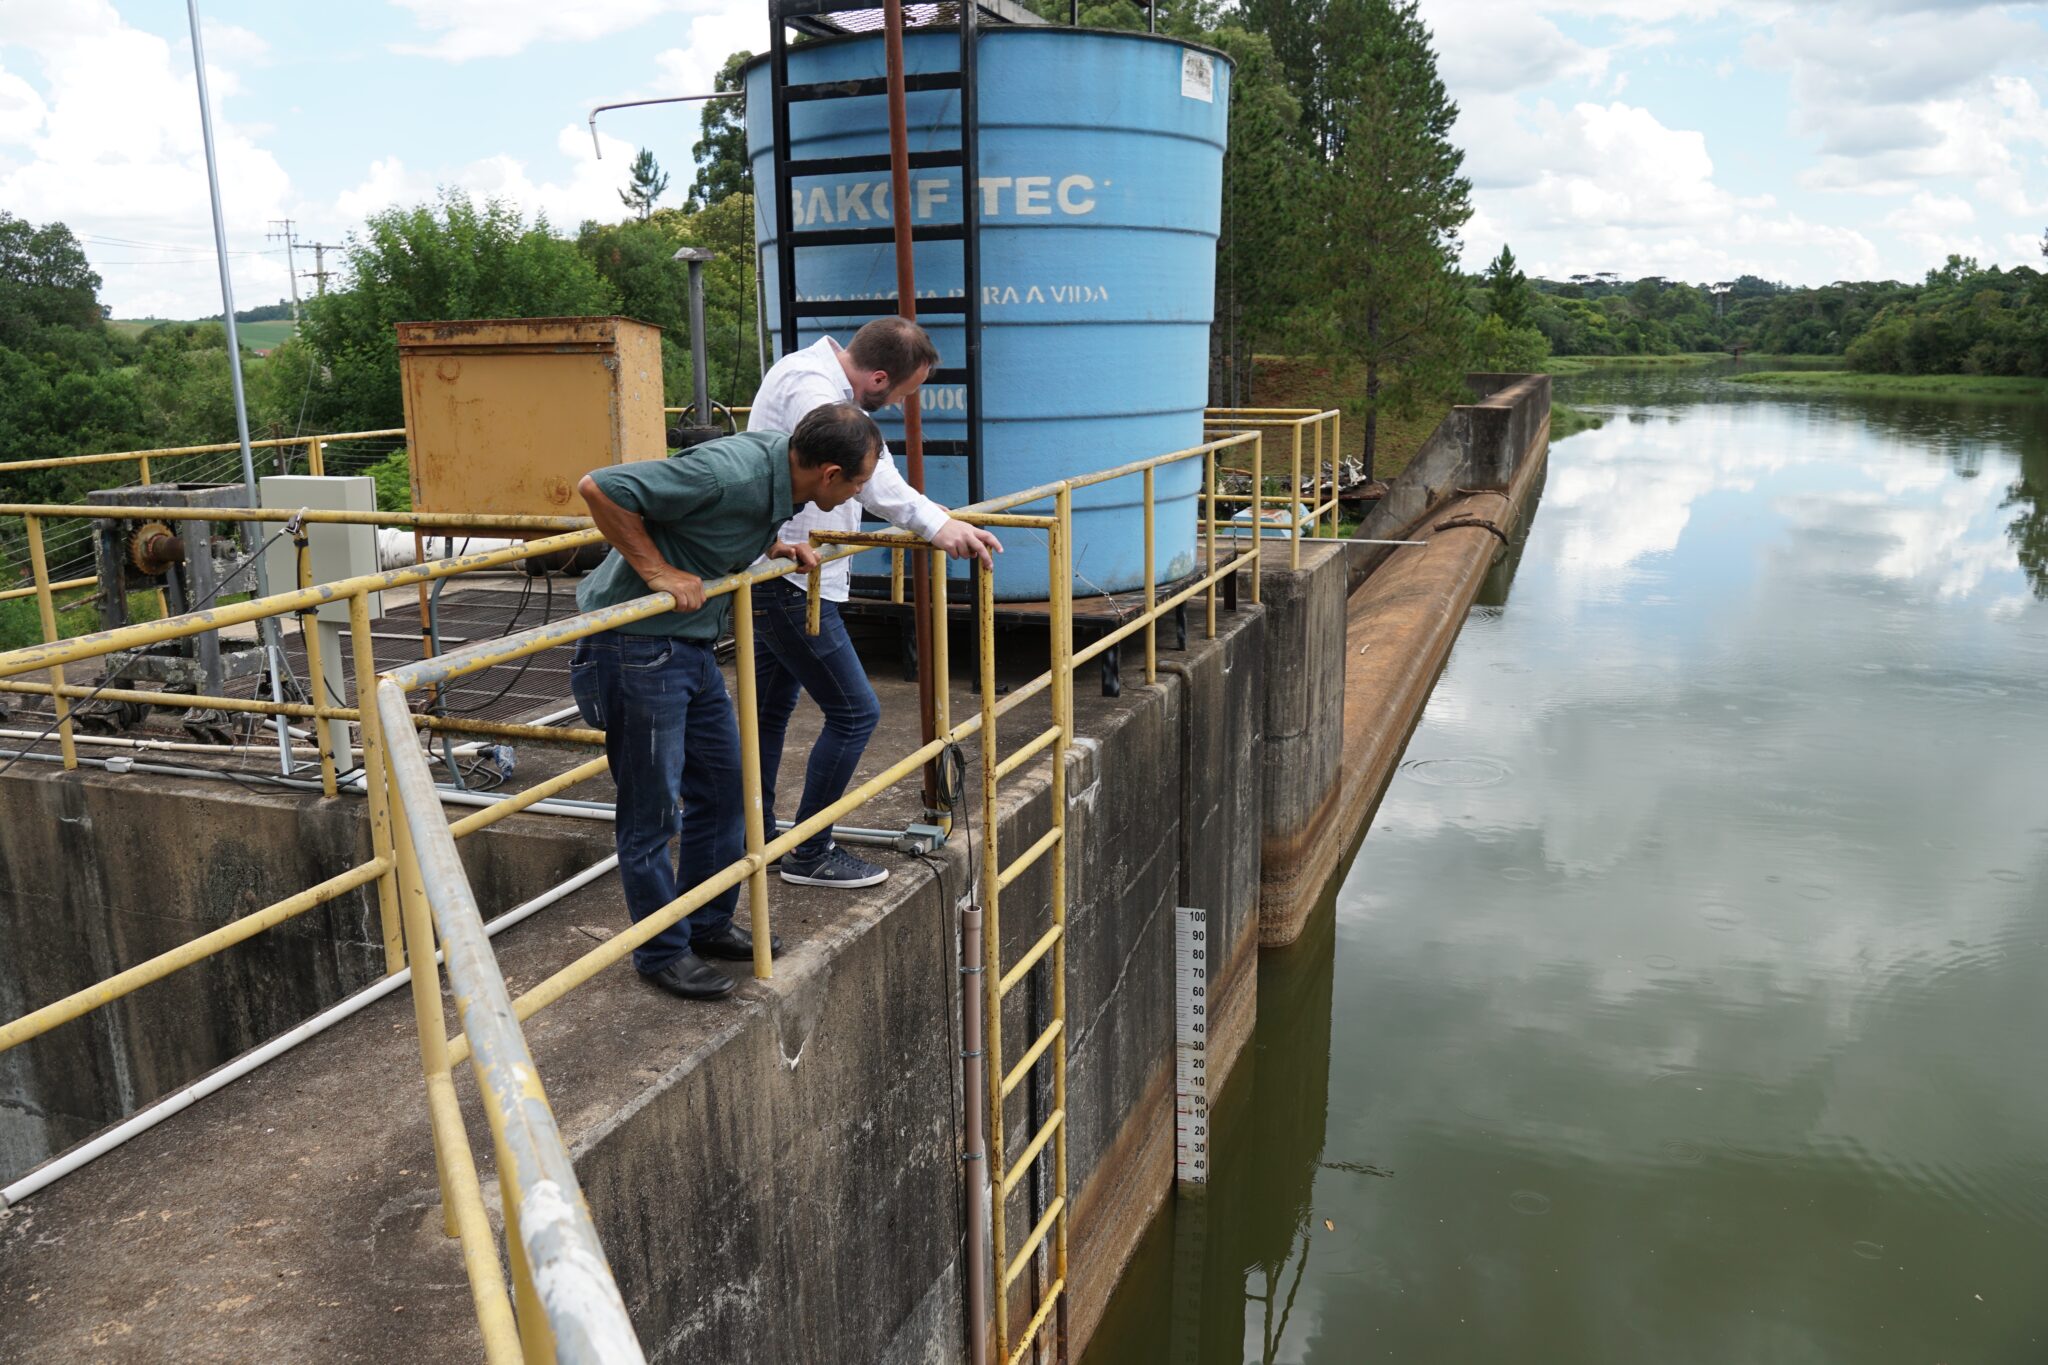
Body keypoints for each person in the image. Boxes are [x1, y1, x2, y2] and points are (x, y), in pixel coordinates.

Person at [570, 403, 882, 1001]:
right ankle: (661, 951)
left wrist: (773, 549)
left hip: (688, 646)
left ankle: (706, 922)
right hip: (635, 646)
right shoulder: (730, 472)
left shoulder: (784, 475)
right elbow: (600, 487)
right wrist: (657, 571)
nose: (860, 492)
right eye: (860, 481)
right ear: (829, 474)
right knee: (653, 810)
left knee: (726, 788)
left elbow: (724, 523)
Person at [747, 317, 1003, 890]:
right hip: (791, 578)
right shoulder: (813, 390)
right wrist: (938, 524)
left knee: (767, 714)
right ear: (879, 378)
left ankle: (755, 836)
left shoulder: (816, 378)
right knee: (855, 711)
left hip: (791, 572)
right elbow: (874, 476)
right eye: (903, 395)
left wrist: (938, 520)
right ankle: (809, 851)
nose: (898, 406)